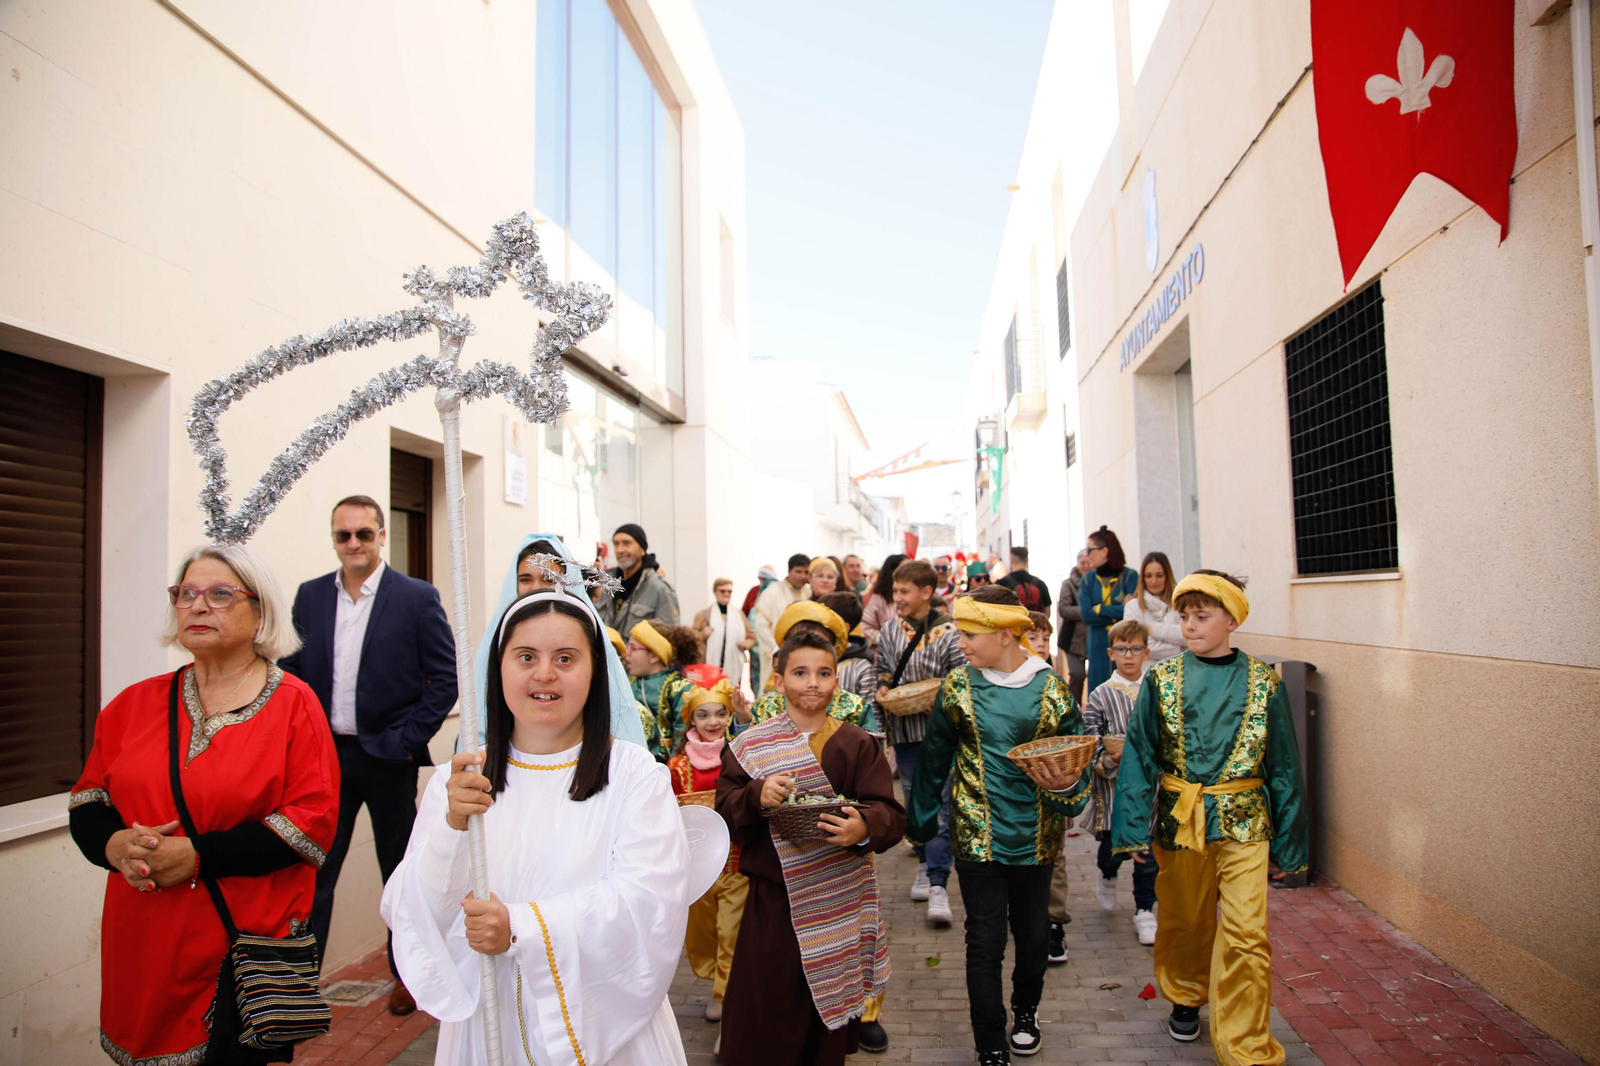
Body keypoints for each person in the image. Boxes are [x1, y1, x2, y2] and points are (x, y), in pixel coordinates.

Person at [382, 589, 695, 1064]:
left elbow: (649, 902)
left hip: (602, 1023)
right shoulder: (460, 781)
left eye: (565, 658)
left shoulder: (635, 775)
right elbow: (416, 911)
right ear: (499, 668)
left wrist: (521, 928)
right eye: (526, 656)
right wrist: (451, 828)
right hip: (489, 1022)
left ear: (596, 672)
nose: (544, 674)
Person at [70, 544, 339, 1066]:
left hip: (240, 950)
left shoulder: (294, 704)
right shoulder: (132, 704)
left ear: (261, 611)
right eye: (186, 593)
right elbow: (88, 801)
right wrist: (113, 844)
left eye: (220, 594)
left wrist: (195, 857)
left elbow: (310, 824)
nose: (197, 606)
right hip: (145, 943)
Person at [1112, 570, 1309, 1059]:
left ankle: (1245, 1043)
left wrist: (1289, 844)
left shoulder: (1266, 684)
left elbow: (1284, 767)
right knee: (1184, 919)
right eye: (1184, 617)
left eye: (1202, 616)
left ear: (1232, 621)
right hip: (1182, 819)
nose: (1190, 626)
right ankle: (1185, 994)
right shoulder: (1162, 678)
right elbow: (1139, 755)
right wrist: (1134, 827)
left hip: (1245, 824)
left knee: (1247, 933)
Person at [282, 495, 457, 1014]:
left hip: (387, 759)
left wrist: (406, 739)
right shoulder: (310, 597)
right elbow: (290, 676)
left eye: (363, 533)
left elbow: (444, 678)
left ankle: (407, 975)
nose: (353, 543)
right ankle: (297, 985)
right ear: (334, 540)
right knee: (314, 872)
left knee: (400, 872)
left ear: (382, 535)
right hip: (324, 759)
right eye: (343, 535)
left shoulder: (416, 597)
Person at [908, 585, 1092, 1066]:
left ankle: (1026, 1015)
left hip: (1036, 838)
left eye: (970, 633)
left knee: (1033, 937)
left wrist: (1069, 788)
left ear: (1007, 633)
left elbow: (1075, 761)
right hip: (977, 837)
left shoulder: (1050, 688)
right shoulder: (958, 685)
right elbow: (934, 758)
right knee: (983, 941)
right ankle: (989, 1041)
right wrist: (922, 819)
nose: (961, 643)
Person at [715, 628, 906, 1066]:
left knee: (825, 1019)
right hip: (773, 901)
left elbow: (890, 814)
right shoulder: (751, 746)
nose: (813, 683)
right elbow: (723, 808)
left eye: (824, 673)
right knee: (766, 1005)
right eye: (800, 672)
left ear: (837, 682)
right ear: (778, 680)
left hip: (839, 901)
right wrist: (755, 796)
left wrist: (862, 826)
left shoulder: (858, 744)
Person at [464, 534, 648, 752]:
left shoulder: (590, 640)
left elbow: (616, 717)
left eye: (549, 579)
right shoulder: (497, 641)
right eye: (525, 579)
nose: (536, 588)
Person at [873, 558, 963, 925]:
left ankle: (939, 883)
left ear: (927, 593)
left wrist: (939, 702)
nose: (898, 597)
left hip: (941, 735)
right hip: (907, 734)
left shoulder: (950, 631)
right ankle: (925, 865)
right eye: (895, 591)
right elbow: (883, 669)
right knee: (915, 801)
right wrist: (882, 689)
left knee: (941, 803)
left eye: (904, 591)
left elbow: (959, 678)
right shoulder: (890, 630)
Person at [668, 669, 749, 1022]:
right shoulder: (677, 765)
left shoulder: (741, 757)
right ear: (691, 719)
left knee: (731, 931)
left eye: (720, 713)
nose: (712, 722)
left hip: (736, 862)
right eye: (703, 714)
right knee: (702, 934)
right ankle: (714, 977)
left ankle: (725, 993)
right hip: (697, 865)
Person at [1081, 619, 1158, 946]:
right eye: (1123, 649)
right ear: (1111, 653)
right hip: (1114, 786)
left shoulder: (1157, 691)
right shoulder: (1101, 694)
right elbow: (1091, 736)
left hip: (1150, 786)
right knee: (1114, 846)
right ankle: (1107, 873)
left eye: (1136, 649)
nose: (1129, 656)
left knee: (1149, 847)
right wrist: (1107, 757)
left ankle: (1144, 909)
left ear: (1146, 652)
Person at [626, 619, 702, 760]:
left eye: (634, 648)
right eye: (627, 647)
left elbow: (682, 736)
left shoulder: (679, 687)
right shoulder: (627, 685)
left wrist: (671, 771)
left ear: (654, 656)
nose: (627, 654)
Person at [1078, 526, 1139, 694]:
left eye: (1090, 550)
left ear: (1104, 551)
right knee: (1099, 691)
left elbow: (1132, 613)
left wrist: (1100, 609)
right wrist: (1119, 610)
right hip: (1097, 644)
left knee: (1126, 691)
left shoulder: (1130, 576)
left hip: (1125, 643)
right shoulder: (1087, 580)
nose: (1086, 555)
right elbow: (1086, 615)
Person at [600, 523, 682, 635]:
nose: (620, 550)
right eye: (616, 544)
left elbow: (671, 637)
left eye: (626, 543)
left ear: (642, 549)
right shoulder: (606, 583)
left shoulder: (660, 589)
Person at [752, 554, 811, 691]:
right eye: (798, 571)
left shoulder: (809, 593)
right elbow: (760, 626)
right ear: (789, 571)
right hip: (776, 653)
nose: (802, 576)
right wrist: (777, 649)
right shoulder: (773, 592)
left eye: (806, 572)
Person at [692, 577, 756, 687]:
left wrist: (745, 644)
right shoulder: (704, 614)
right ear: (715, 592)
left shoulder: (739, 614)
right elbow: (692, 636)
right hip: (709, 664)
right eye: (722, 591)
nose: (726, 594)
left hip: (734, 664)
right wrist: (703, 633)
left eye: (729, 591)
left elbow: (751, 636)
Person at [1123, 551, 1184, 661]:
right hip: (1146, 672)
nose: (1153, 581)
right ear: (1142, 578)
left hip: (1180, 670)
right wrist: (1178, 647)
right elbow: (1136, 646)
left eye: (1159, 575)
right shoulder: (1133, 607)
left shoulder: (1180, 603)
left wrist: (1151, 630)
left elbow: (1188, 636)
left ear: (1167, 576)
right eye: (1148, 576)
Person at [1056, 550, 1090, 706]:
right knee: (1077, 675)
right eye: (1083, 563)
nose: (1086, 566)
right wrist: (1088, 612)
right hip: (1073, 640)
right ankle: (1073, 709)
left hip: (1093, 639)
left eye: (1089, 562)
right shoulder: (1068, 584)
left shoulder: (1096, 583)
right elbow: (1063, 608)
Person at [860, 553, 905, 643]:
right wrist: (886, 639)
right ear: (893, 572)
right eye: (905, 569)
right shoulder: (879, 598)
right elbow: (865, 626)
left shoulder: (916, 596)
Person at [997, 546, 1053, 615]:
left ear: (1011, 561)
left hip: (1012, 625)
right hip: (1035, 624)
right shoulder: (1040, 584)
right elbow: (1047, 612)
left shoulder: (1001, 584)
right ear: (1027, 561)